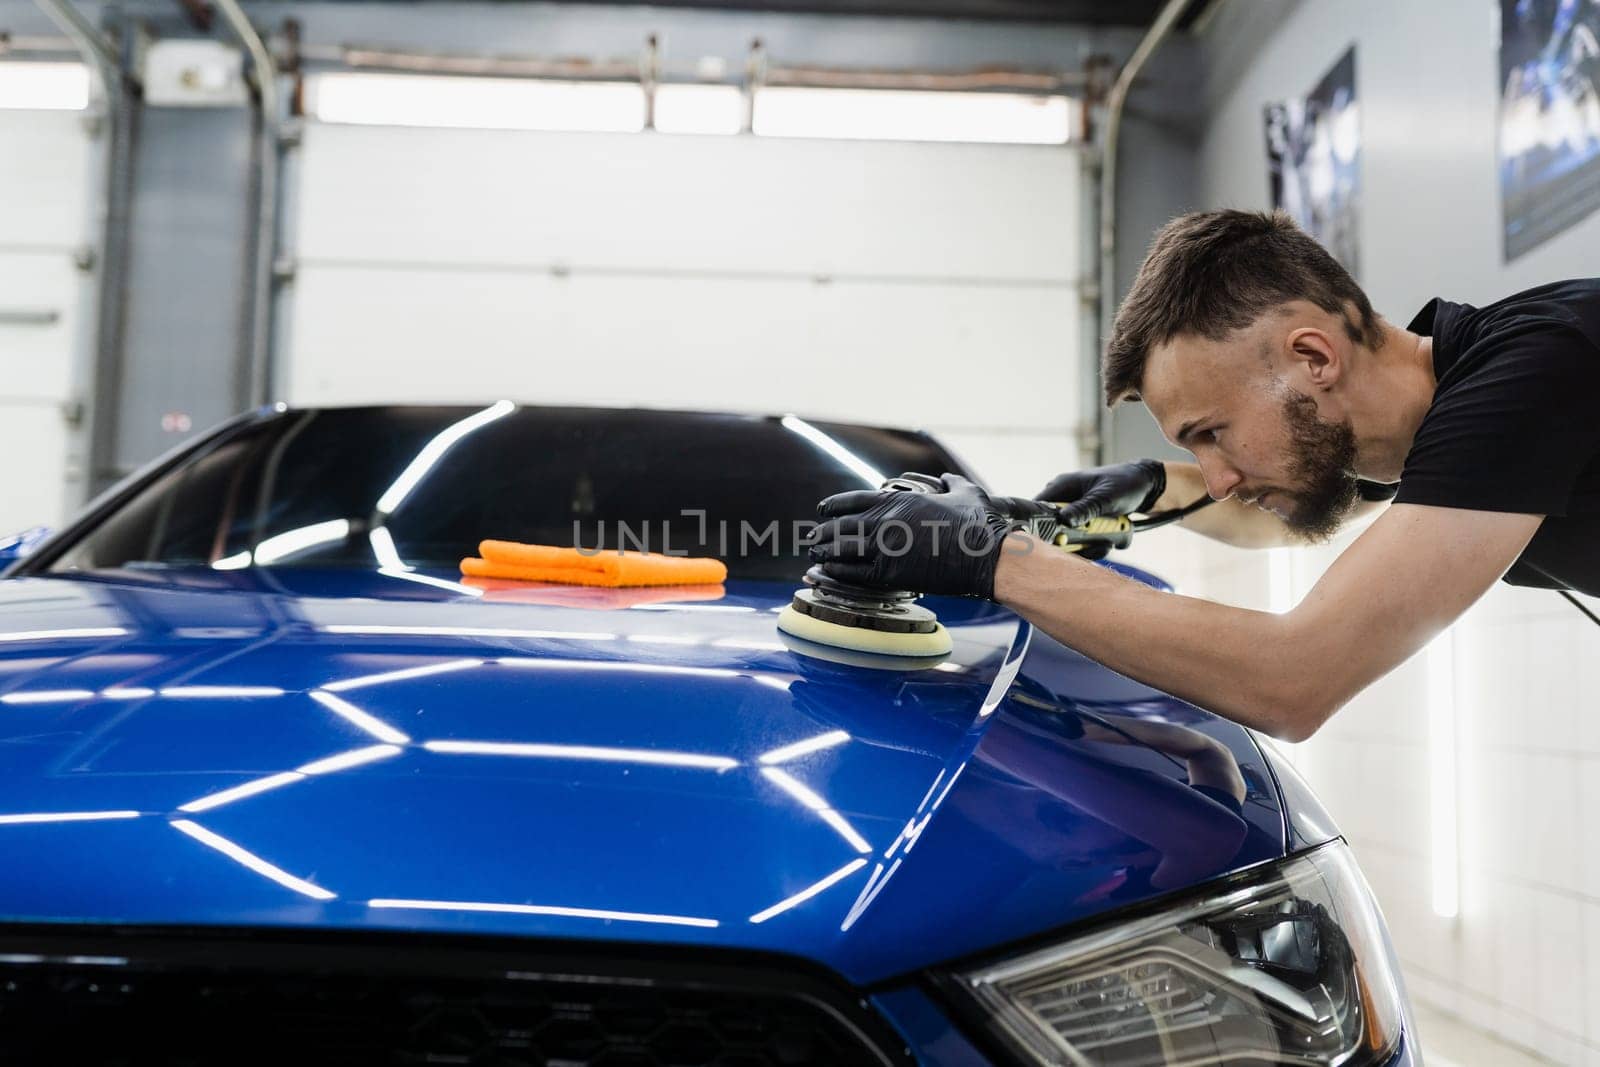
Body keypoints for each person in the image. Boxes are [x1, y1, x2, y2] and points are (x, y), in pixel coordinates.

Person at [807, 210, 1600, 741]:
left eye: (1212, 433)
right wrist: (1152, 488)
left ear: (1313, 356)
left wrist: (995, 559)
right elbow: (1277, 515)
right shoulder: (1455, 406)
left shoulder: (1534, 374)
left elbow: (1295, 678)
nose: (1217, 478)